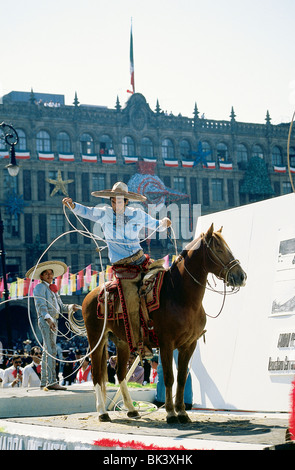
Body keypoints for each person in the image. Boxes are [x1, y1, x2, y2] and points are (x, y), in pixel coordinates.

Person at [62, 181, 171, 357]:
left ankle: (168, 329)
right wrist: (73, 205)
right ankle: (138, 344)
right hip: (123, 268)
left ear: (126, 201)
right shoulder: (104, 214)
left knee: (164, 280)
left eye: (119, 201)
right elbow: (87, 212)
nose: (115, 203)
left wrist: (164, 223)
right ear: (111, 201)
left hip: (141, 260)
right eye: (113, 200)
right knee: (130, 300)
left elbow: (155, 224)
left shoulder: (136, 214)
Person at [25, 260, 80, 391]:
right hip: (46, 321)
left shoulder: (53, 290)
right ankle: (51, 381)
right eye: (47, 274)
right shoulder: (40, 287)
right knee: (51, 350)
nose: (50, 276)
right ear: (41, 276)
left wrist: (71, 307)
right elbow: (40, 306)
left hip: (53, 321)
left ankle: (45, 381)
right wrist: (49, 320)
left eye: (51, 273)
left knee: (47, 350)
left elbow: (61, 307)